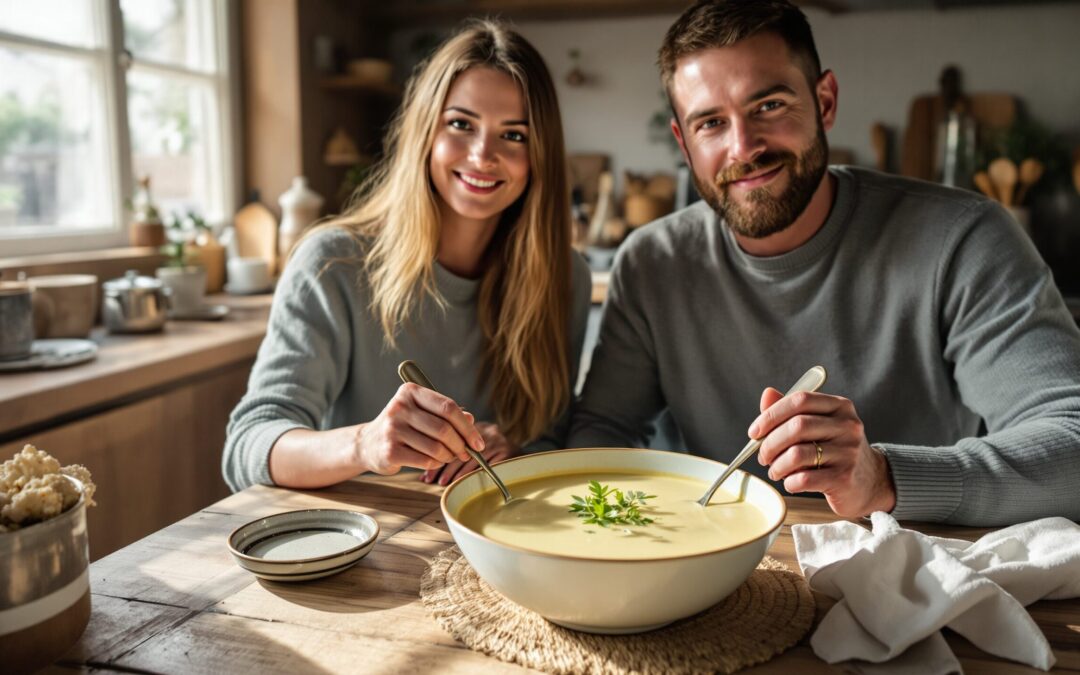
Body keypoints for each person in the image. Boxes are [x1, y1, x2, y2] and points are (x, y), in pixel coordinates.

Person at [569, 0, 1080, 526]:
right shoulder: (652, 263)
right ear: (683, 142)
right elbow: (601, 434)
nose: (743, 147)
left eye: (768, 105)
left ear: (825, 101)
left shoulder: (964, 238)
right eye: (712, 123)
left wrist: (881, 478)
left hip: (925, 575)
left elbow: (1072, 442)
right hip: (720, 576)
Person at [224, 21, 591, 492]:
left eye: (514, 135)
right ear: (425, 131)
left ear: (540, 152)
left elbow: (554, 437)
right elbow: (247, 446)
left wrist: (517, 449)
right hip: (363, 540)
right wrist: (366, 444)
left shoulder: (566, 278)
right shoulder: (331, 263)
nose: (483, 155)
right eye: (461, 124)